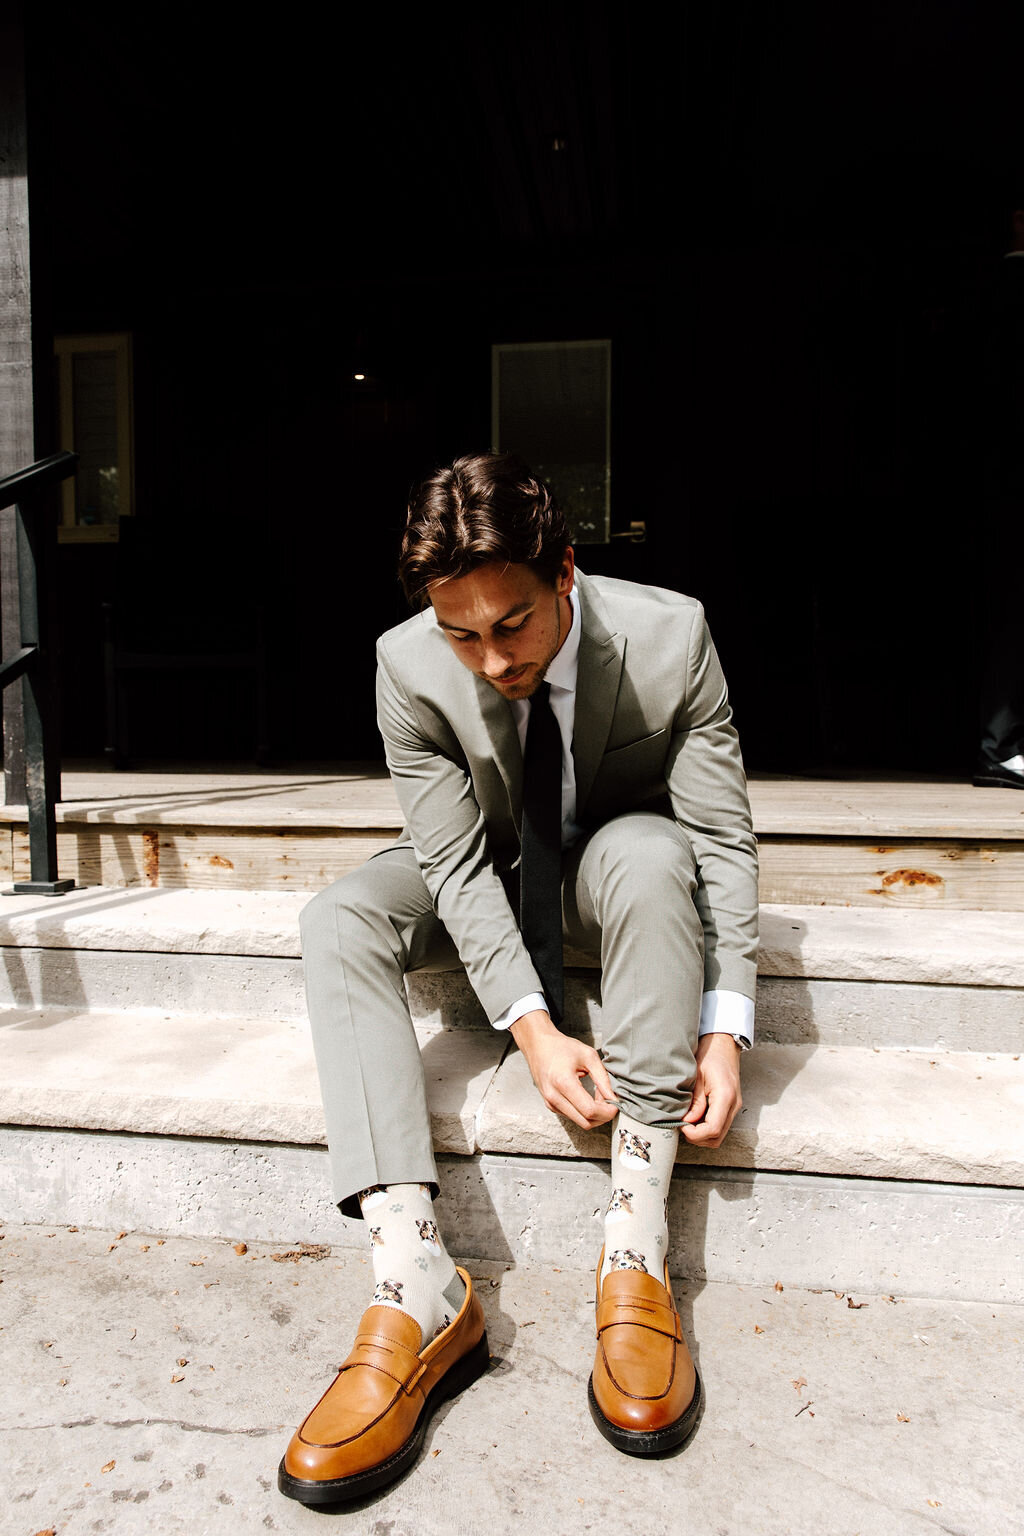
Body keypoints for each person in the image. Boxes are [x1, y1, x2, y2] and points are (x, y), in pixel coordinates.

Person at [278, 453, 759, 1505]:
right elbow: (450, 862)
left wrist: (724, 1026)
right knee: (339, 914)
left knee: (652, 852)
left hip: (610, 872)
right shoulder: (405, 664)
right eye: (462, 632)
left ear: (567, 576)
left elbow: (720, 839)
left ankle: (634, 1246)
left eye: (513, 625)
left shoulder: (672, 636)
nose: (490, 659)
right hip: (490, 861)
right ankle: (415, 1284)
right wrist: (533, 1027)